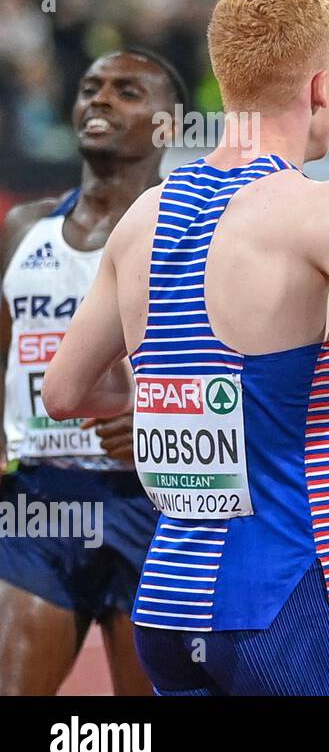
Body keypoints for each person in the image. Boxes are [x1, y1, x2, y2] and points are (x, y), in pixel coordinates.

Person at [43, 0, 329, 695]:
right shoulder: (317, 212)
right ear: (319, 88)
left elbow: (61, 392)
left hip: (170, 606)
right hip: (294, 595)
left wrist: (166, 396)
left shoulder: (144, 217)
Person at [0, 49, 184, 695]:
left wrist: (163, 429)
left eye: (127, 91)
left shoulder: (196, 235)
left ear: (170, 126)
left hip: (156, 509)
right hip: (42, 506)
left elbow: (243, 374)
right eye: (90, 88)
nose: (100, 100)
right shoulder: (25, 229)